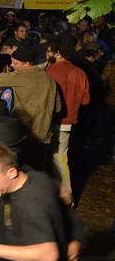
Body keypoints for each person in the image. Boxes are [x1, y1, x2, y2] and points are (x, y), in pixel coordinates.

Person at [0, 43, 60, 171]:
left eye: (15, 63)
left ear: (27, 64)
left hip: (25, 134)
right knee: (39, 171)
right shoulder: (49, 79)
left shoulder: (21, 76)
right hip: (44, 136)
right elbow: (58, 107)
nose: (12, 65)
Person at [44, 36, 90, 203]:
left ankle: (63, 197)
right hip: (68, 123)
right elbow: (85, 100)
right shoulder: (80, 73)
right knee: (60, 157)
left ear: (58, 52)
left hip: (50, 121)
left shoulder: (50, 71)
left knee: (54, 159)